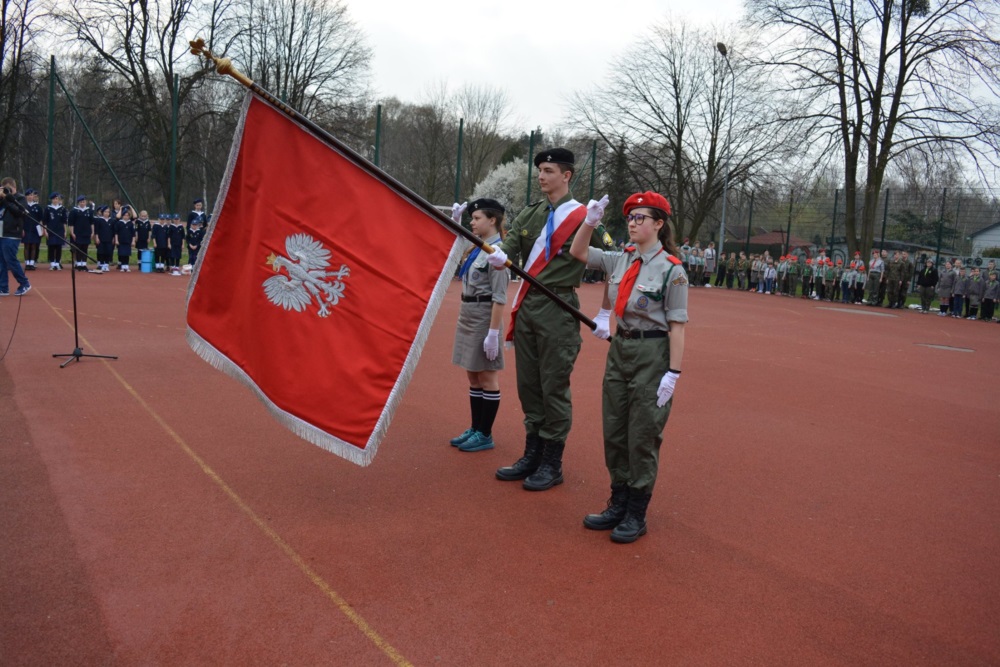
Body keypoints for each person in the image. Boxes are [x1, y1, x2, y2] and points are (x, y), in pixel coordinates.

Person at [483, 147, 608, 491]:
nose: (541, 175)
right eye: (539, 170)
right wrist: (499, 256)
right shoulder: (530, 213)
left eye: (549, 170)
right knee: (529, 386)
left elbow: (615, 259)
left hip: (559, 305)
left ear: (566, 176)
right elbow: (509, 246)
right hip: (527, 305)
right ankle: (532, 454)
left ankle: (552, 462)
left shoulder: (585, 215)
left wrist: (607, 311)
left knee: (553, 386)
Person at [568, 190, 687, 543]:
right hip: (621, 348)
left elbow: (678, 325)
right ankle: (618, 501)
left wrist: (673, 373)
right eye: (630, 218)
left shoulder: (672, 270)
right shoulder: (622, 258)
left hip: (653, 353)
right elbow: (578, 252)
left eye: (641, 218)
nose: (633, 223)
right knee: (615, 429)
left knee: (642, 434)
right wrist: (588, 222)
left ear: (659, 224)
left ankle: (636, 511)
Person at [448, 198, 510, 453]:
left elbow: (499, 297)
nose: (472, 222)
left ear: (492, 220)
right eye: (471, 219)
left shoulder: (497, 254)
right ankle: (475, 427)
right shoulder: (477, 248)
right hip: (468, 314)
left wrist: (493, 334)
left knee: (487, 376)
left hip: (485, 316)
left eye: (477, 218)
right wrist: (455, 224)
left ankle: (485, 433)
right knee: (472, 374)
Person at [0, 177, 31, 296]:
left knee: (10, 259)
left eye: (9, 189)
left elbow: (19, 212)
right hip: (1, 232)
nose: (7, 191)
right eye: (4, 189)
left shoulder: (20, 198)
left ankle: (24, 283)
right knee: (1, 261)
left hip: (12, 233)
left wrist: (7, 199)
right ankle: (3, 287)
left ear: (14, 187)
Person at [43, 192, 68, 271]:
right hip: (51, 230)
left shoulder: (62, 209)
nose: (55, 200)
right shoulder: (48, 208)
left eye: (56, 199)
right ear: (51, 200)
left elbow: (64, 221)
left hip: (59, 230)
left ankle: (57, 263)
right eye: (54, 199)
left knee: (58, 247)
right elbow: (45, 221)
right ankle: (52, 263)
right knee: (51, 247)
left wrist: (65, 231)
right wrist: (45, 231)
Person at [69, 195, 93, 271]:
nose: (82, 203)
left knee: (85, 248)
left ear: (85, 202)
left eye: (83, 202)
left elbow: (92, 223)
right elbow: (71, 223)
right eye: (81, 202)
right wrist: (72, 232)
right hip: (77, 233)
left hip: (86, 233)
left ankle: (84, 264)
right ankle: (78, 264)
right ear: (78, 203)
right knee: (78, 248)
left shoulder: (89, 211)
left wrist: (92, 232)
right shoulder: (74, 211)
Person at [22, 188, 43, 271]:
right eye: (28, 195)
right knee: (27, 245)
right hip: (26, 227)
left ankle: (32, 262)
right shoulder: (23, 206)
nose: (30, 197)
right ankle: (27, 262)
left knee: (34, 245)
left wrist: (41, 229)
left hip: (35, 228)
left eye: (31, 195)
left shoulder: (38, 207)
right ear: (26, 196)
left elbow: (40, 219)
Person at [93, 205, 116, 272]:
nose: (107, 213)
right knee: (101, 252)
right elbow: (96, 230)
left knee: (108, 252)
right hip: (101, 239)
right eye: (105, 212)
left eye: (108, 212)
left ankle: (106, 264)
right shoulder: (99, 220)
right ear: (102, 212)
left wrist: (113, 238)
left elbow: (113, 231)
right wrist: (97, 238)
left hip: (109, 239)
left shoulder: (112, 221)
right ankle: (102, 264)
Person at [115, 206, 136, 271]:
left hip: (128, 241)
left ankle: (126, 266)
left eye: (127, 215)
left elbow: (133, 234)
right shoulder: (119, 223)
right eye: (124, 215)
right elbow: (116, 233)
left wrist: (133, 241)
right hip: (121, 241)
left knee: (127, 254)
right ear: (122, 216)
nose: (126, 217)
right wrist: (116, 240)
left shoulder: (131, 224)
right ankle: (122, 266)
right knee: (122, 254)